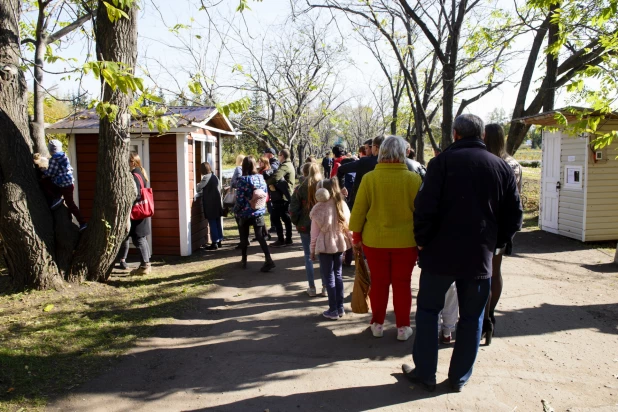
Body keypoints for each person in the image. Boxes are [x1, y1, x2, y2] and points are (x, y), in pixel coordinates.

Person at [404, 114, 523, 393]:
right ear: (481, 136)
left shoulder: (440, 164)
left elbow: (424, 208)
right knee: (472, 317)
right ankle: (458, 377)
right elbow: (514, 217)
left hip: (439, 255)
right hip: (479, 256)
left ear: (455, 134)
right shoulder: (501, 167)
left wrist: (422, 242)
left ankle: (425, 372)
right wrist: (497, 243)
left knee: (429, 311)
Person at [349, 136, 422, 342]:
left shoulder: (370, 178)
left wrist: (356, 236)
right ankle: (402, 327)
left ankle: (378, 324)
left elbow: (359, 211)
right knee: (402, 284)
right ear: (403, 153)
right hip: (406, 242)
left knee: (379, 283)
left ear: (380, 153)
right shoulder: (413, 179)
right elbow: (420, 214)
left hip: (375, 241)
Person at [483, 123, 523, 344]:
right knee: (495, 271)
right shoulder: (513, 163)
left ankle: (483, 316)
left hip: (486, 223)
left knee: (481, 272)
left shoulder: (487, 163)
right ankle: (490, 315)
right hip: (506, 223)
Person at [310, 178, 351, 320]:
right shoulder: (341, 204)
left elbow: (314, 234)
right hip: (339, 243)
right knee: (338, 275)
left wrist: (312, 250)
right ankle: (340, 307)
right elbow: (348, 228)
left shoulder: (318, 208)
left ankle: (333, 309)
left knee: (329, 277)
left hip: (324, 245)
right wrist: (352, 244)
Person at [234, 156, 276, 272]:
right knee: (260, 236)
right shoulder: (261, 177)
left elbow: (240, 199)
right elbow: (265, 193)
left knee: (244, 236)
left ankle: (244, 260)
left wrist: (236, 210)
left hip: (245, 213)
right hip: (258, 211)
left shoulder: (242, 180)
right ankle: (268, 259)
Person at [290, 162, 325, 297]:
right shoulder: (324, 186)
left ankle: (311, 287)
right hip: (322, 225)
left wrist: (297, 223)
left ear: (303, 172)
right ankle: (325, 287)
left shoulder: (299, 189)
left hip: (305, 226)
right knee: (323, 256)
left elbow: (293, 210)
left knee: (308, 257)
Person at [118, 152, 152, 275]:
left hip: (136, 211)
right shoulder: (141, 172)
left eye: (128, 161)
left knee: (138, 239)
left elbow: (136, 194)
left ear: (132, 162)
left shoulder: (134, 174)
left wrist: (127, 201)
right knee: (141, 238)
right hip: (142, 210)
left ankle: (144, 266)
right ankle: (147, 263)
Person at [43, 139, 87, 231]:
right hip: (69, 183)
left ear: (51, 150)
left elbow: (51, 173)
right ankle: (58, 197)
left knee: (46, 182)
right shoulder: (64, 156)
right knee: (70, 202)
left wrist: (43, 172)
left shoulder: (54, 159)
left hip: (62, 184)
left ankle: (82, 222)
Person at [336, 135, 384, 209]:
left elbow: (341, 169)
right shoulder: (397, 164)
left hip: (361, 202)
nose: (365, 150)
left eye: (367, 148)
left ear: (376, 147)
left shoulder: (365, 162)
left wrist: (342, 187)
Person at [267, 149, 296, 247]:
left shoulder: (285, 166)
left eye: (279, 155)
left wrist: (267, 182)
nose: (278, 157)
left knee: (276, 217)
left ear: (282, 156)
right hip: (285, 196)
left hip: (282, 196)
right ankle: (288, 239)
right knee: (285, 217)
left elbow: (276, 177)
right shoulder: (289, 164)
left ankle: (282, 239)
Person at [197, 162, 223, 250]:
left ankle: (214, 242)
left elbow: (198, 188)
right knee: (217, 221)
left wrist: (197, 185)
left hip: (210, 203)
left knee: (212, 222)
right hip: (217, 202)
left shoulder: (205, 178)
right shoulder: (215, 177)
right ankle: (219, 240)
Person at [263, 148, 280, 234]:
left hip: (274, 191)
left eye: (265, 153)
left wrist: (262, 172)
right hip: (271, 190)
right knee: (271, 208)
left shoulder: (274, 163)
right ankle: (274, 225)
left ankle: (275, 226)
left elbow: (269, 172)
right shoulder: (272, 163)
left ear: (270, 154)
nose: (264, 155)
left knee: (272, 208)